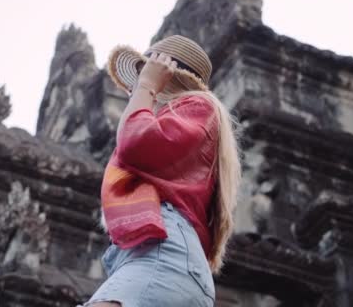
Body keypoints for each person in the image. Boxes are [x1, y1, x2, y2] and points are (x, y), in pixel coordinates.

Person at [80, 35, 242, 307]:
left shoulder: (199, 107)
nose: (134, 94)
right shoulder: (179, 121)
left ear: (165, 78)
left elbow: (134, 143)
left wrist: (146, 86)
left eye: (145, 75)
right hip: (159, 259)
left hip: (164, 255)